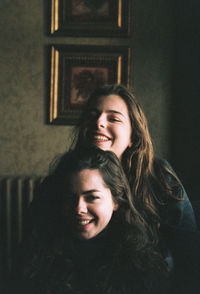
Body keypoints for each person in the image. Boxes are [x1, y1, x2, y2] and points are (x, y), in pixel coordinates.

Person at [70, 84, 200, 290]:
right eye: (92, 115)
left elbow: (190, 253)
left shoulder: (159, 177)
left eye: (113, 118)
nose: (99, 122)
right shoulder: (62, 179)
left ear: (133, 136)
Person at [11, 147, 170, 294]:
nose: (79, 208)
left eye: (92, 197)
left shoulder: (140, 261)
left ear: (116, 201)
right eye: (70, 197)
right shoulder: (40, 250)